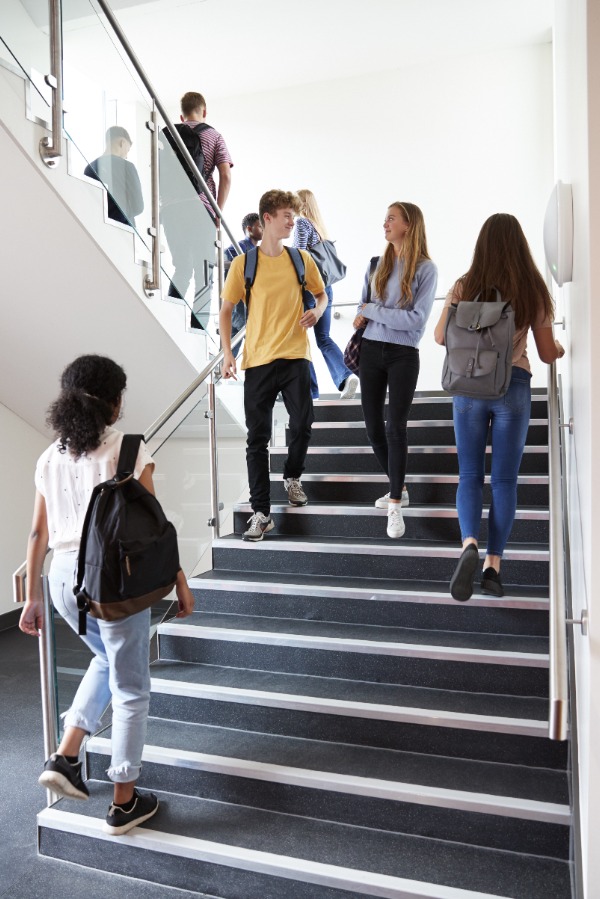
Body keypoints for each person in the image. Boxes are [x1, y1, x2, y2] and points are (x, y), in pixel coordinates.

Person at [19, 355, 195, 835]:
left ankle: (67, 754)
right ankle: (124, 800)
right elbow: (153, 530)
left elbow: (37, 534)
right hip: (112, 584)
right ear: (114, 402)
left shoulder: (49, 455)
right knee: (132, 689)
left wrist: (32, 594)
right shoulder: (127, 450)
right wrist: (178, 579)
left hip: (60, 582)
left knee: (105, 659)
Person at [434, 213, 565, 602]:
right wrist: (562, 348)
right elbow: (546, 353)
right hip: (513, 387)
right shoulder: (532, 289)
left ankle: (469, 542)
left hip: (469, 389)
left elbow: (441, 335)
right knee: (505, 481)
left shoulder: (464, 285)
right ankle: (493, 566)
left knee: (470, 474)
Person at [219, 189, 328, 542]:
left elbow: (322, 294)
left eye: (292, 216)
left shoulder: (301, 260)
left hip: (296, 355)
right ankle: (261, 513)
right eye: (285, 215)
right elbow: (225, 310)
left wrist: (318, 309)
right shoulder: (243, 264)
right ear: (267, 218)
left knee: (303, 422)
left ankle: (292, 476)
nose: (291, 221)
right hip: (259, 361)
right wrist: (228, 354)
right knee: (257, 440)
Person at [354, 202, 437, 539]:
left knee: (395, 427)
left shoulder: (426, 269)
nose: (384, 223)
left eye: (391, 218)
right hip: (371, 351)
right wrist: (369, 312)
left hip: (404, 355)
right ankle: (398, 486)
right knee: (373, 428)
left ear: (408, 224)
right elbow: (362, 309)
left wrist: (374, 310)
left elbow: (416, 322)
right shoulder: (376, 265)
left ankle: (394, 504)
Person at [161, 91, 233, 327]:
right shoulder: (214, 135)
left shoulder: (168, 134)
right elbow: (226, 175)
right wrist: (217, 213)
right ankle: (198, 327)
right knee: (205, 274)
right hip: (201, 209)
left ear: (182, 116)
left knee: (181, 267)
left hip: (171, 211)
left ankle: (170, 320)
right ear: (204, 111)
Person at [292, 189, 358, 400]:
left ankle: (311, 392)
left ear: (300, 203)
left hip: (309, 288)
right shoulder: (320, 229)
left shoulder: (302, 223)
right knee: (323, 338)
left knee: (300, 339)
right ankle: (346, 376)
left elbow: (299, 253)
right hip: (325, 289)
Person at [84, 126, 144, 227]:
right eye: (128, 150)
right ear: (122, 142)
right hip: (124, 229)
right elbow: (138, 206)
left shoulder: (89, 168)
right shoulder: (127, 166)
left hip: (98, 226)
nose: (127, 155)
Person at [224, 213, 263, 357]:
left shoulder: (256, 250)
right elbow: (226, 257)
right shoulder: (239, 246)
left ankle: (220, 373)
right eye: (260, 226)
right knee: (254, 334)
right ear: (249, 229)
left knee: (234, 341)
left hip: (243, 302)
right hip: (237, 301)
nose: (263, 229)